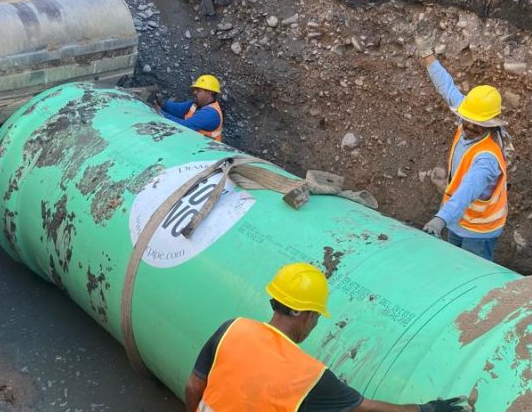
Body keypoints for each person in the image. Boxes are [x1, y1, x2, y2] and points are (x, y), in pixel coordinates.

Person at [185, 262, 473, 412]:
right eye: (316, 315)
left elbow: (193, 387)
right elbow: (366, 408)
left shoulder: (233, 328)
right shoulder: (307, 375)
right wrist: (425, 409)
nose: (314, 324)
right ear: (302, 313)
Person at [414, 30, 509, 261]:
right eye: (467, 120)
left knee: (470, 272)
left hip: (479, 230)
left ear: (489, 124)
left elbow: (467, 190)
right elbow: (447, 88)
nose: (469, 127)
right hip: (457, 220)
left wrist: (440, 219)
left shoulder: (487, 158)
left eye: (477, 124)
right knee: (452, 264)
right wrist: (428, 55)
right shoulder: (468, 117)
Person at [159, 74, 224, 141]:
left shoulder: (210, 113)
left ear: (209, 92)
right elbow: (178, 109)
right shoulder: (197, 103)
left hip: (205, 147)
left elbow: (186, 126)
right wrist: (161, 102)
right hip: (193, 142)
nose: (194, 92)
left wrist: (159, 113)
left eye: (198, 90)